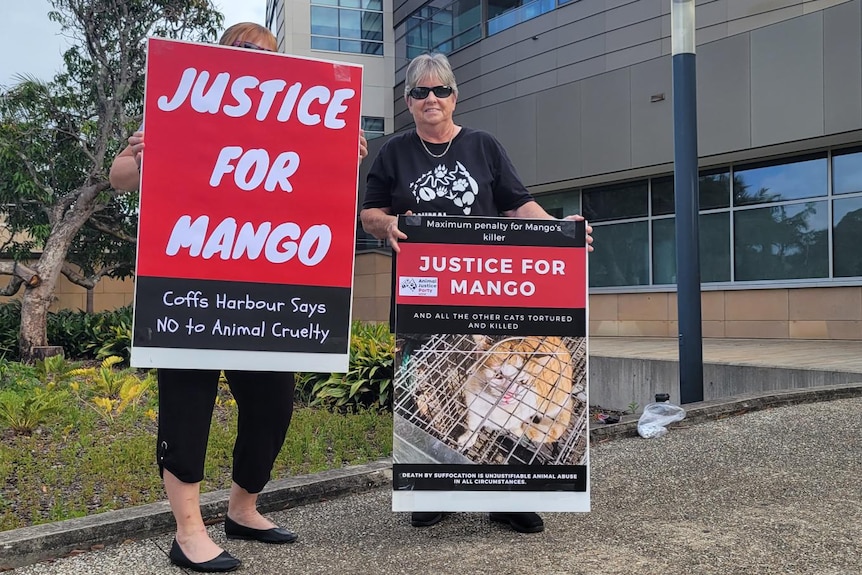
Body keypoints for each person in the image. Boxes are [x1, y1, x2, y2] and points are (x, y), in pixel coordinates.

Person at [110, 23, 368, 573]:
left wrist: (343, 148)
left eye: (267, 52)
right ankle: (188, 532)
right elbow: (119, 178)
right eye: (244, 50)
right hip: (188, 286)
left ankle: (242, 509)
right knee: (188, 409)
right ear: (222, 53)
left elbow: (315, 182)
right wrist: (140, 152)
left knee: (273, 408)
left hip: (269, 291)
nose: (255, 59)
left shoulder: (297, 109)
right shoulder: (182, 95)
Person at [360, 52, 593, 535]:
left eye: (440, 90)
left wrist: (559, 232)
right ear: (407, 101)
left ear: (454, 96)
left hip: (487, 289)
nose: (431, 99)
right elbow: (369, 213)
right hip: (423, 293)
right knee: (429, 388)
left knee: (505, 388)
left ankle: (507, 499)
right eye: (421, 91)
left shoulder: (483, 146)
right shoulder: (393, 153)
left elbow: (517, 204)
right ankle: (430, 492)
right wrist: (388, 225)